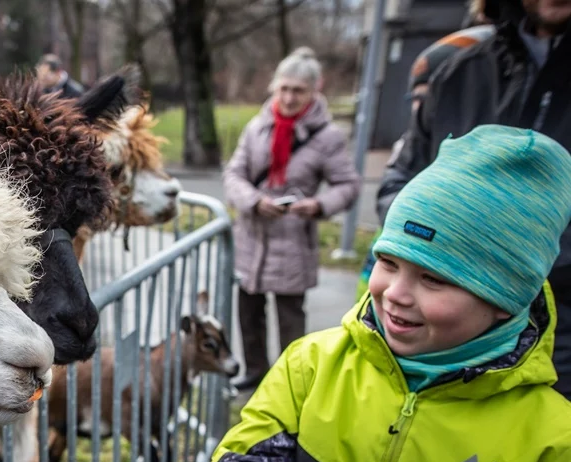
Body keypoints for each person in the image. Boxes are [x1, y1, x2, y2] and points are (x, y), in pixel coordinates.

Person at [22, 125, 571, 462]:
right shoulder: (314, 365)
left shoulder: (550, 441)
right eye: (388, 262)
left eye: (435, 280)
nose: (396, 296)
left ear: (505, 296)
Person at [379, 0, 571, 396]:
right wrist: (423, 248)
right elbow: (401, 177)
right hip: (438, 346)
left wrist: (512, 266)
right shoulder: (459, 73)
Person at [223, 47, 360, 391]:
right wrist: (253, 201)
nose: (288, 97)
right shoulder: (258, 127)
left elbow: (348, 185)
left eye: (298, 90)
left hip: (293, 241)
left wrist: (317, 205)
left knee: (289, 319)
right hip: (252, 237)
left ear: (314, 90)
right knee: (248, 314)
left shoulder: (327, 137)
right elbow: (234, 174)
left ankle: (288, 382)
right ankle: (255, 372)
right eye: (283, 88)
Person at [354, 19, 497, 300]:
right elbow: (393, 185)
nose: (420, 109)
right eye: (416, 98)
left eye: (431, 98)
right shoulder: (411, 142)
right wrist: (410, 230)